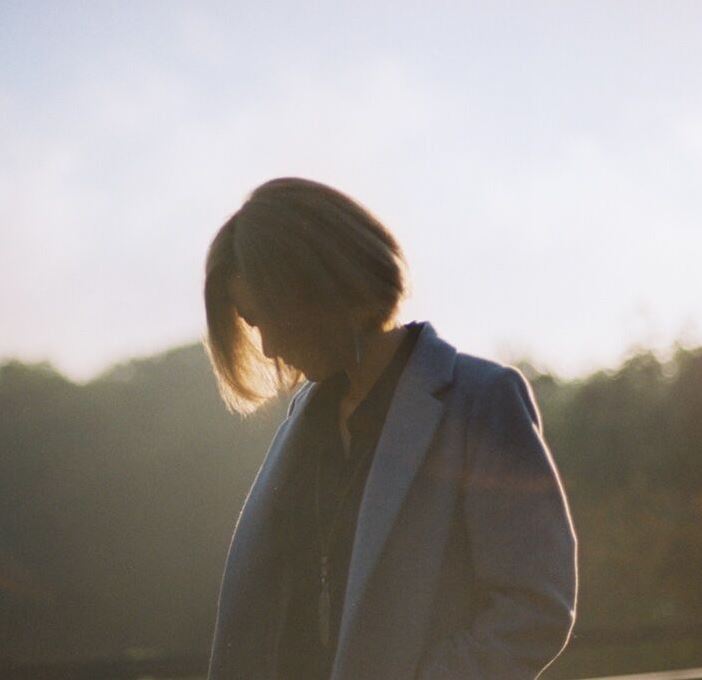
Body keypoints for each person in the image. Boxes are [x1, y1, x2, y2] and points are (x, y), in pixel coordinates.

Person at [202, 177, 577, 680]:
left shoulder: (480, 400)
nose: (267, 347)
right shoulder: (305, 421)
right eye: (253, 324)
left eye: (269, 318)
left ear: (319, 290)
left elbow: (534, 610)